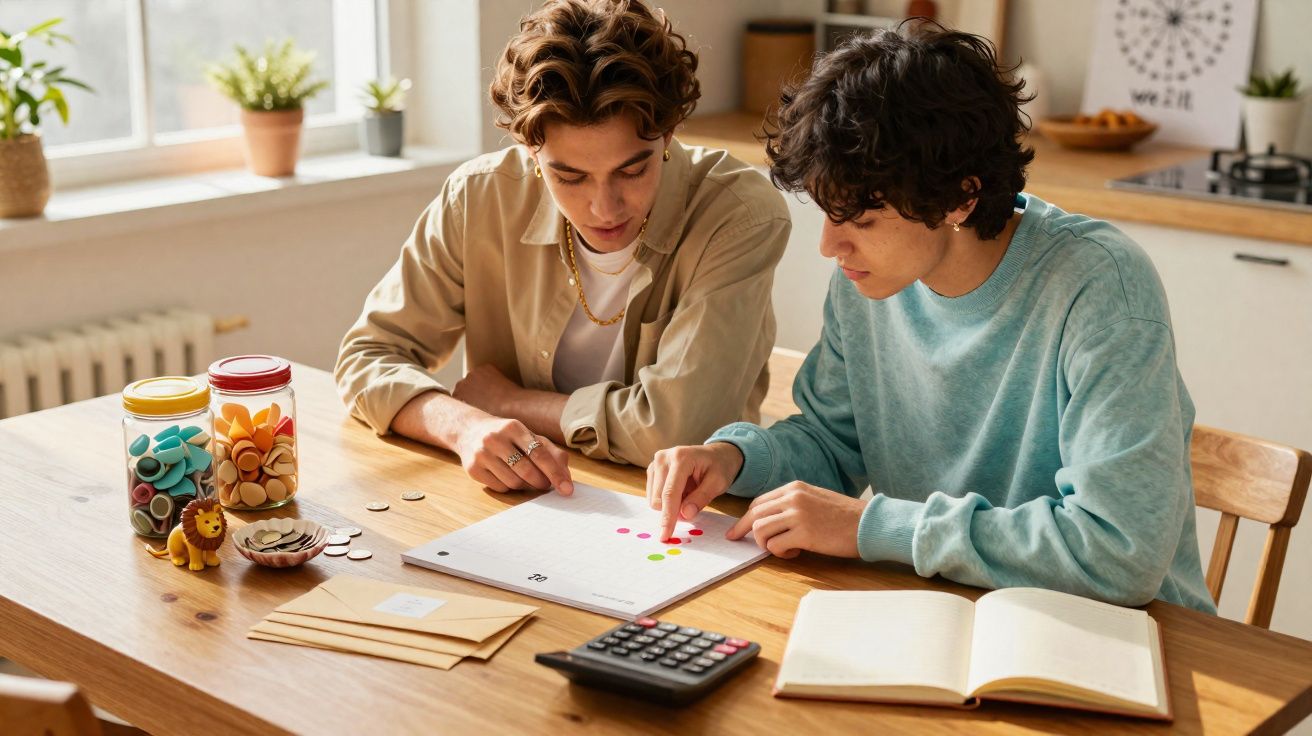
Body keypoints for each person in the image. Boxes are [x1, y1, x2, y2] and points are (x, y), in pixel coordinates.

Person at [647, 23, 1215, 612]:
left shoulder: (1101, 287)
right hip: (945, 607)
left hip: (1130, 634)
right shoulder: (868, 278)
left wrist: (871, 527)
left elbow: (1118, 552)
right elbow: (833, 443)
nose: (829, 246)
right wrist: (734, 458)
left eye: (862, 220)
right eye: (828, 213)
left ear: (960, 198)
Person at [335, 0, 790, 494]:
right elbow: (367, 355)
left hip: (685, 510)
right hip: (523, 496)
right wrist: (463, 425)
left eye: (633, 170)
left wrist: (510, 404)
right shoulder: (479, 198)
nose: (604, 207)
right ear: (530, 150)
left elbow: (678, 432)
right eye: (570, 177)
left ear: (669, 133)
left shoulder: (737, 214)